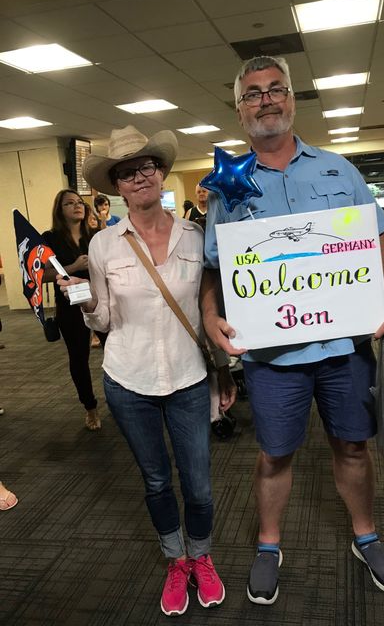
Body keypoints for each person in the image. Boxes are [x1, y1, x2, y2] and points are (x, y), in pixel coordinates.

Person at [201, 56, 384, 604]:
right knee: (275, 454)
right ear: (240, 110)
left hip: (344, 347)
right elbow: (214, 268)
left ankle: (366, 537)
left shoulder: (339, 170)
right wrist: (208, 315)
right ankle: (269, 545)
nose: (266, 99)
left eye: (276, 89)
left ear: (292, 99)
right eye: (253, 93)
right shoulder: (226, 188)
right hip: (272, 356)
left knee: (354, 447)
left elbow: (378, 244)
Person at [58, 125, 236, 617]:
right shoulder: (104, 245)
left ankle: (201, 557)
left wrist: (223, 370)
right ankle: (175, 560)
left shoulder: (195, 237)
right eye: (126, 173)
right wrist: (83, 299)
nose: (139, 177)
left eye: (147, 167)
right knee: (157, 481)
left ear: (160, 173)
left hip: (188, 377)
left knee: (198, 484)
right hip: (128, 379)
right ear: (117, 186)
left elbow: (208, 309)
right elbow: (103, 318)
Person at [43, 190, 106, 431]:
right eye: (69, 203)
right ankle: (90, 407)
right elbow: (43, 275)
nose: (77, 206)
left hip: (100, 301)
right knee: (79, 358)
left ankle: (124, 397)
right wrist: (72, 266)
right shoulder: (50, 238)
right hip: (70, 306)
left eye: (79, 202)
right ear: (60, 210)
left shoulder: (95, 236)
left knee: (114, 349)